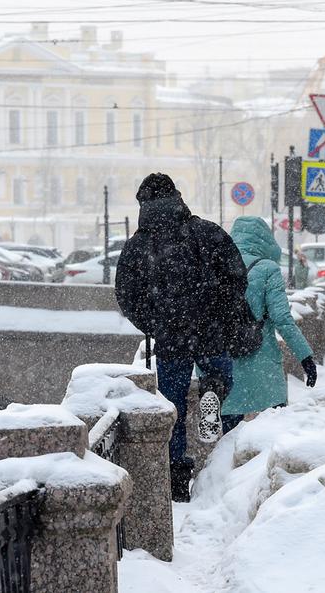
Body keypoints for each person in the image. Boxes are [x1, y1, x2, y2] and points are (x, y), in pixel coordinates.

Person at [114, 173, 248, 502]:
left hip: (171, 337)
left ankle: (176, 477)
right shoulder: (205, 231)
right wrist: (222, 312)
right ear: (177, 196)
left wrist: (154, 322)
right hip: (210, 331)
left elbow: (126, 295)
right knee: (223, 381)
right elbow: (236, 275)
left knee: (170, 408)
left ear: (143, 204)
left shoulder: (138, 245)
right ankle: (223, 428)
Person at [220, 216, 317, 433]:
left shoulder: (216, 264)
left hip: (224, 358)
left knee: (227, 429)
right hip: (261, 360)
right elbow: (282, 319)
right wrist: (305, 357)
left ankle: (222, 463)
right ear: (264, 239)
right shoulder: (267, 269)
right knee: (273, 426)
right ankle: (263, 464)